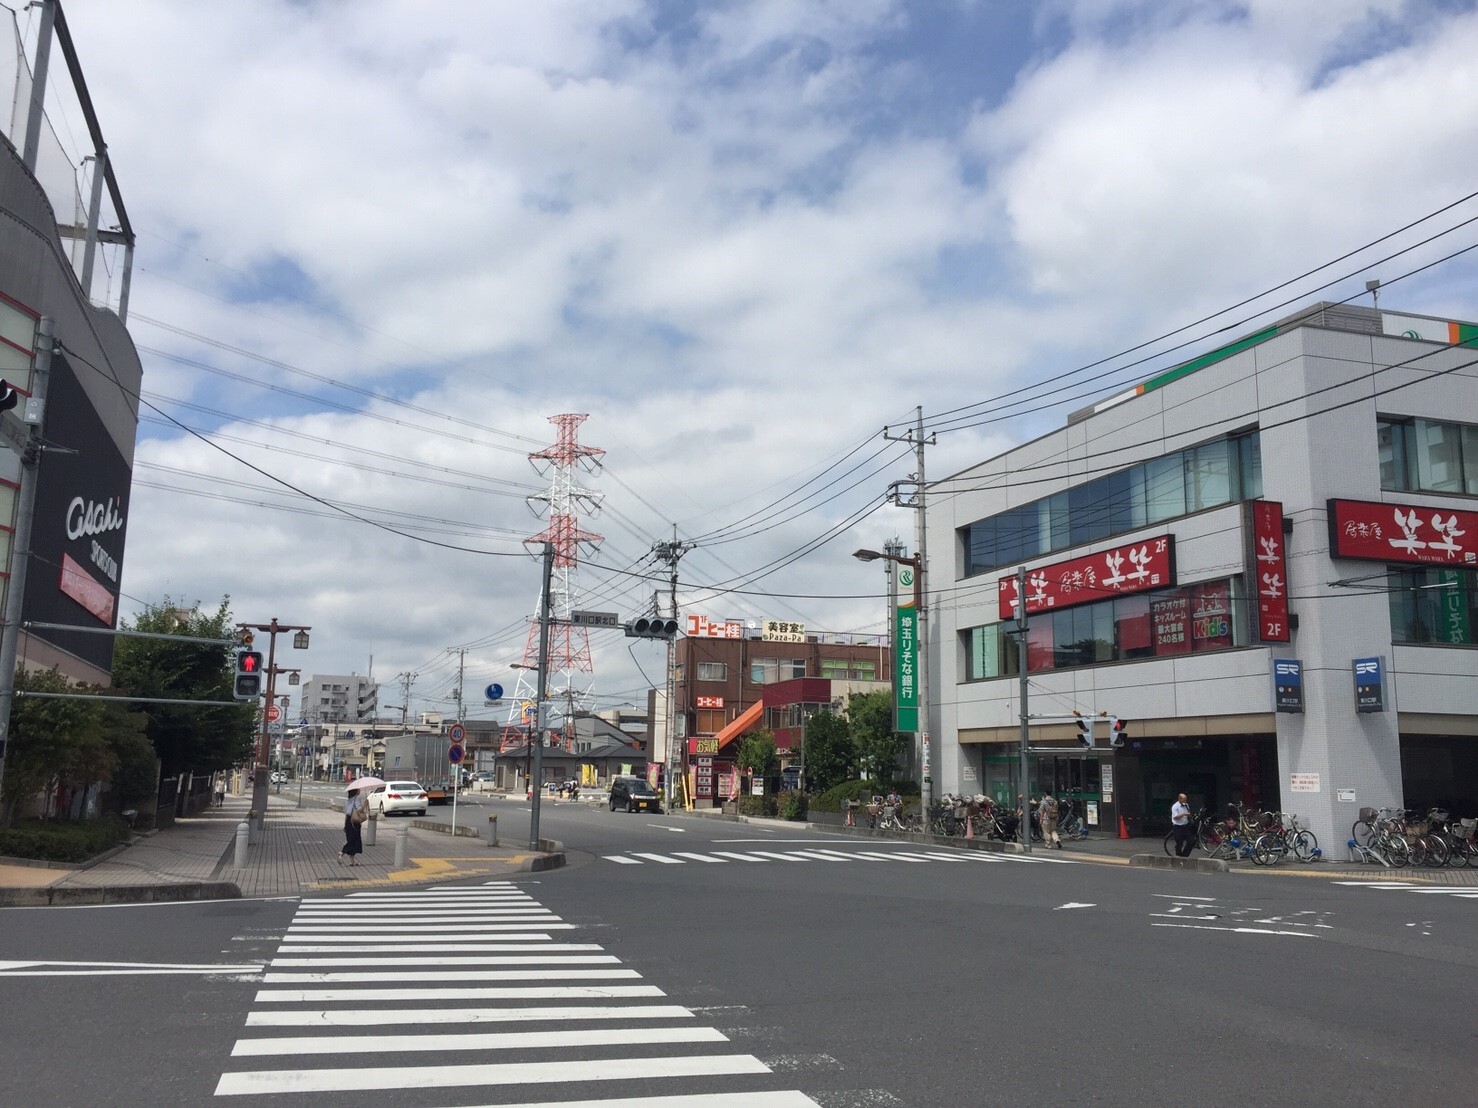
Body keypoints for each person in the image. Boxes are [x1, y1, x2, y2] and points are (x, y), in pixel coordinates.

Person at [340, 786, 369, 866]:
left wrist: (345, 825)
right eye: (358, 789)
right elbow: (359, 809)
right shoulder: (357, 798)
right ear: (356, 791)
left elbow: (346, 814)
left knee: (351, 839)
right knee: (353, 840)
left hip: (348, 821)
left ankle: (352, 861)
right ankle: (342, 852)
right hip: (354, 822)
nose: (360, 790)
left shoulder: (348, 800)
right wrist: (365, 805)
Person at [1171, 792, 1195, 857]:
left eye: (1186, 800)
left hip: (1185, 825)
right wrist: (1183, 814)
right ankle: (1178, 854)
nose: (1185, 801)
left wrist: (1190, 815)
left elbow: (1188, 812)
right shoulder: (1175, 806)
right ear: (1179, 799)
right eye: (1184, 800)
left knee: (1191, 840)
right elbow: (1175, 817)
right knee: (1179, 842)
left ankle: (1185, 855)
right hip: (1178, 826)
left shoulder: (1186, 805)